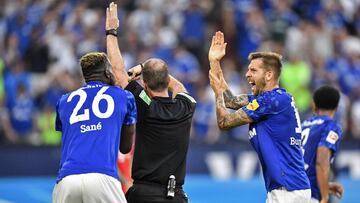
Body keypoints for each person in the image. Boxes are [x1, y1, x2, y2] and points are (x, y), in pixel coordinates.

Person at [106, 3, 196, 203]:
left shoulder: (145, 104)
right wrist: (145, 68)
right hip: (176, 196)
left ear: (145, 84)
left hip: (144, 194)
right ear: (167, 80)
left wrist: (111, 31)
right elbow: (179, 87)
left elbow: (119, 73)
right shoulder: (186, 106)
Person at [208, 31, 311, 203]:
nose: (247, 74)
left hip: (288, 191)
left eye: (253, 70)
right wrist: (214, 62)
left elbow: (224, 122)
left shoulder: (272, 101)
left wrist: (217, 93)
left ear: (269, 75)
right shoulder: (271, 100)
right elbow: (231, 101)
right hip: (287, 189)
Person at [52, 51, 137, 203]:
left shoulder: (63, 101)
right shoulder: (124, 96)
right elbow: (125, 147)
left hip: (67, 179)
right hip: (103, 177)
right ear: (107, 72)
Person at [302, 86, 344, 203]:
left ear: (314, 105)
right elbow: (321, 160)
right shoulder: (331, 126)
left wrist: (326, 186)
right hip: (309, 195)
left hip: (293, 188)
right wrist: (325, 197)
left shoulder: (304, 124)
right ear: (336, 107)